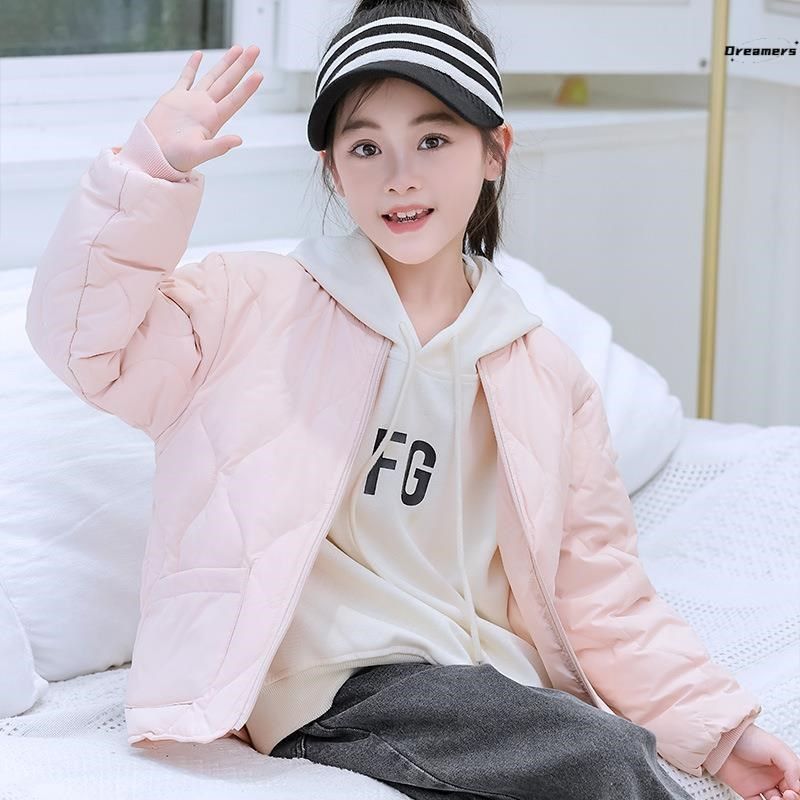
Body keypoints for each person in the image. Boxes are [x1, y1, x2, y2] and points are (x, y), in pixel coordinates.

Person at [24, 0, 800, 798]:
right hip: (328, 679)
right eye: (366, 147)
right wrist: (149, 172)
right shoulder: (249, 306)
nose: (400, 174)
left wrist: (718, 733)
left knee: (598, 749)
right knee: (602, 759)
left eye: (433, 139)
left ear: (494, 151)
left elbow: (601, 593)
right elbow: (86, 343)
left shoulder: (546, 374)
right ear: (333, 170)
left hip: (487, 684)